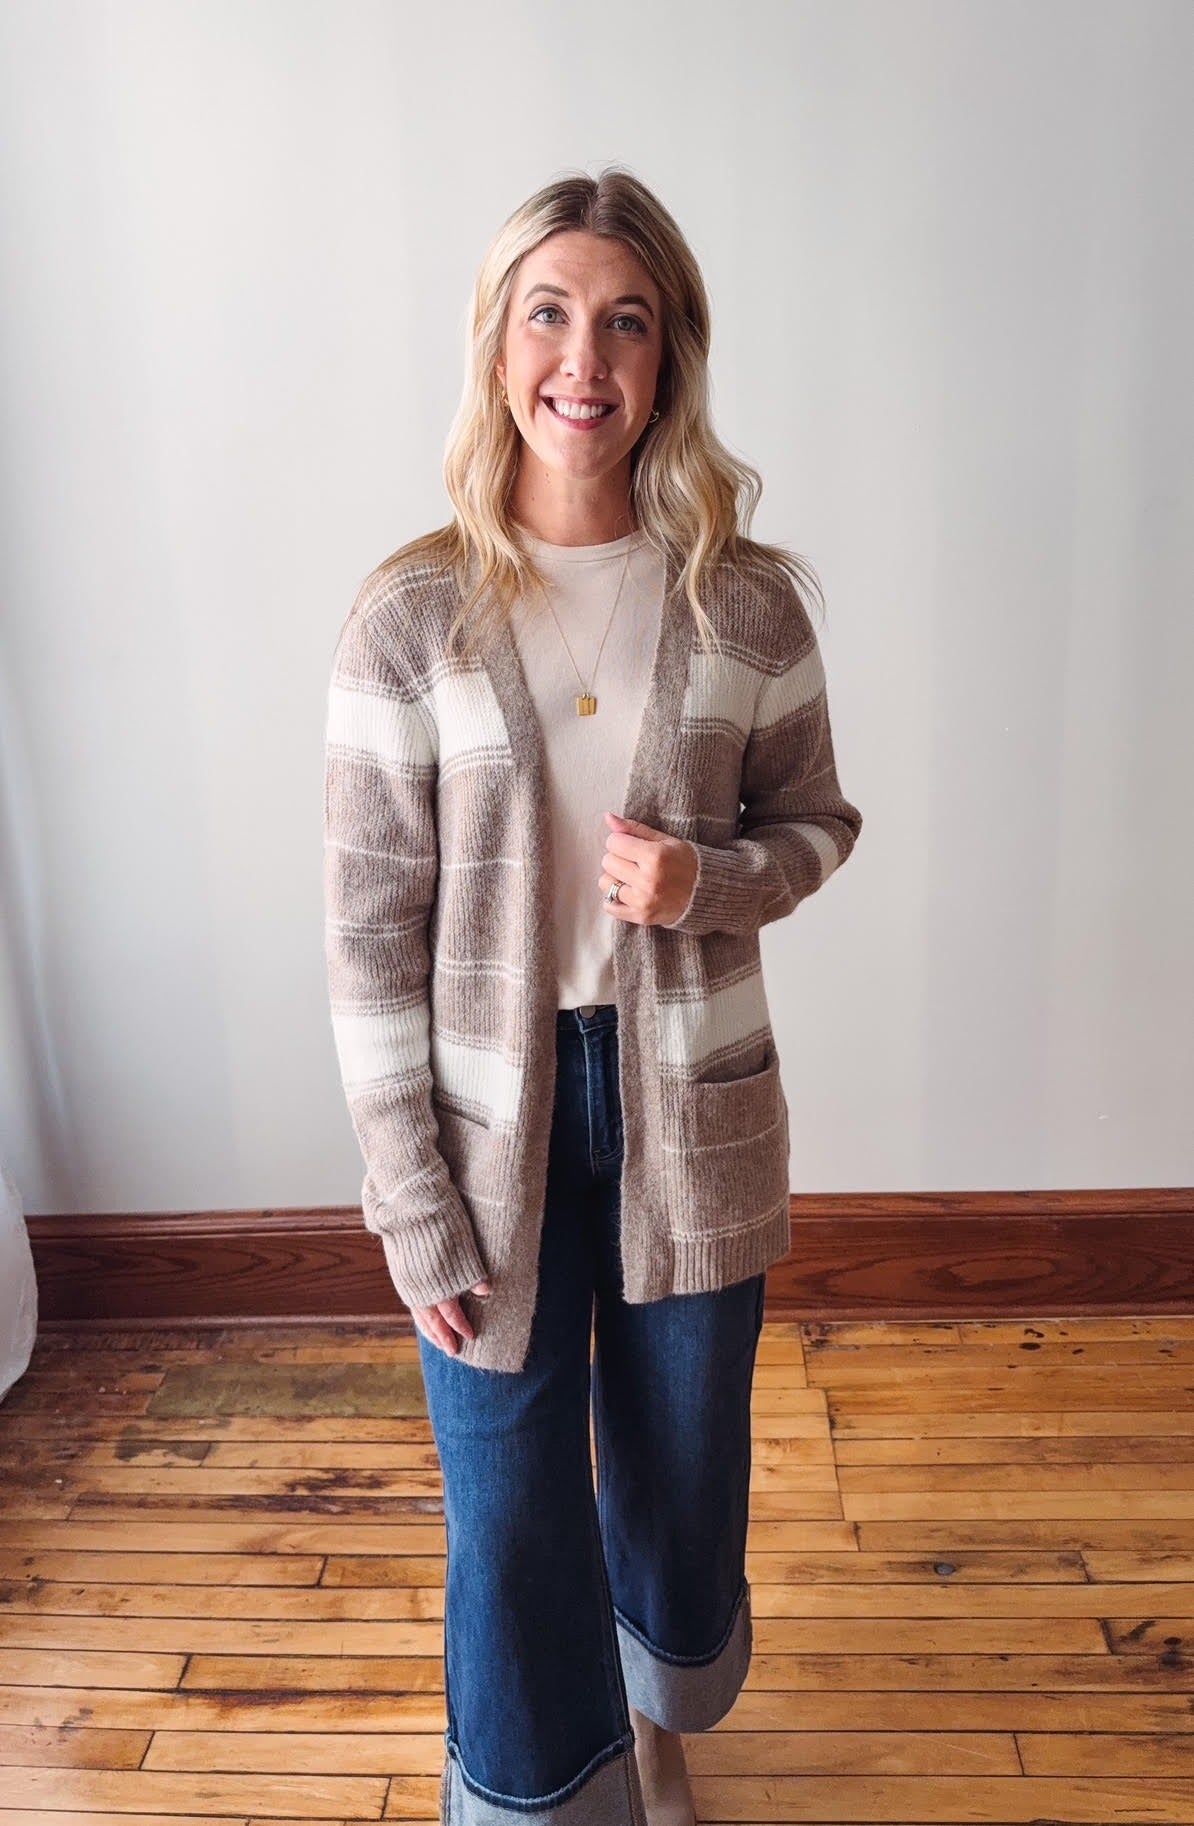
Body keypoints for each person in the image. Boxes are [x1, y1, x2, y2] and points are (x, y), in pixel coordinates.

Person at [323, 166, 862, 1826]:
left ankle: (652, 1710)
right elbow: (367, 935)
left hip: (690, 1096)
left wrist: (707, 883)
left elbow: (817, 824)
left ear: (668, 356)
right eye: (547, 314)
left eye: (625, 321)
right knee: (505, 1502)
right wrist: (410, 1198)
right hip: (487, 1118)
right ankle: (541, 1791)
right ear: (496, 349)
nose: (584, 357)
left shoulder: (744, 600)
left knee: (680, 1464)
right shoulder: (412, 616)